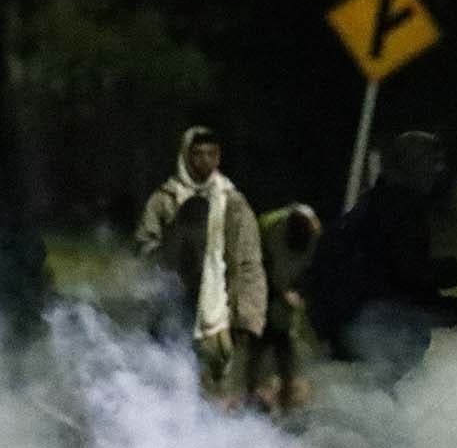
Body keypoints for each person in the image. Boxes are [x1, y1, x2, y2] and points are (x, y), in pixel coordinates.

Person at [308, 130, 457, 387]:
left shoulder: (374, 204)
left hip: (346, 327)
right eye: (433, 163)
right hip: (376, 330)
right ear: (415, 166)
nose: (438, 171)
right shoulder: (402, 210)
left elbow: (401, 284)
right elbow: (412, 278)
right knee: (393, 394)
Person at [136, 126, 266, 405]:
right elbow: (145, 248)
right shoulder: (165, 199)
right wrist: (171, 253)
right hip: (174, 301)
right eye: (197, 154)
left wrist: (249, 314)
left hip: (218, 306)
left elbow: (248, 262)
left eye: (212, 154)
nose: (205, 161)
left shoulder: (234, 203)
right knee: (167, 377)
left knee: (213, 385)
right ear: (186, 156)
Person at [252, 203, 321, 411]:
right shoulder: (270, 231)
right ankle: (254, 389)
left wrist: (297, 291)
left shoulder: (313, 236)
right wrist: (282, 293)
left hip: (282, 299)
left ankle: (282, 390)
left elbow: (306, 269)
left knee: (283, 340)